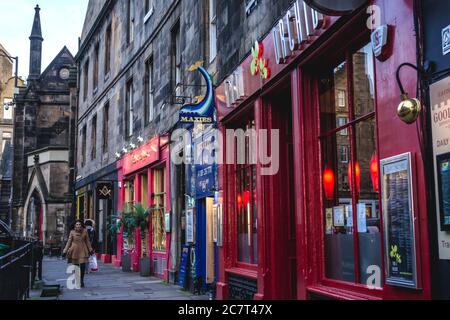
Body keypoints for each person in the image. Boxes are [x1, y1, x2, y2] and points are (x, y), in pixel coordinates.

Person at [62, 220, 93, 288]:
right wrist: (65, 251)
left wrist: (90, 250)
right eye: (77, 224)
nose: (78, 225)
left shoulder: (85, 231)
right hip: (74, 251)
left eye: (79, 224)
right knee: (76, 267)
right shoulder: (72, 232)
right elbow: (69, 242)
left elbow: (87, 241)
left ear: (81, 225)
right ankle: (78, 280)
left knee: (82, 266)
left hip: (83, 250)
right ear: (75, 225)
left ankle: (81, 280)